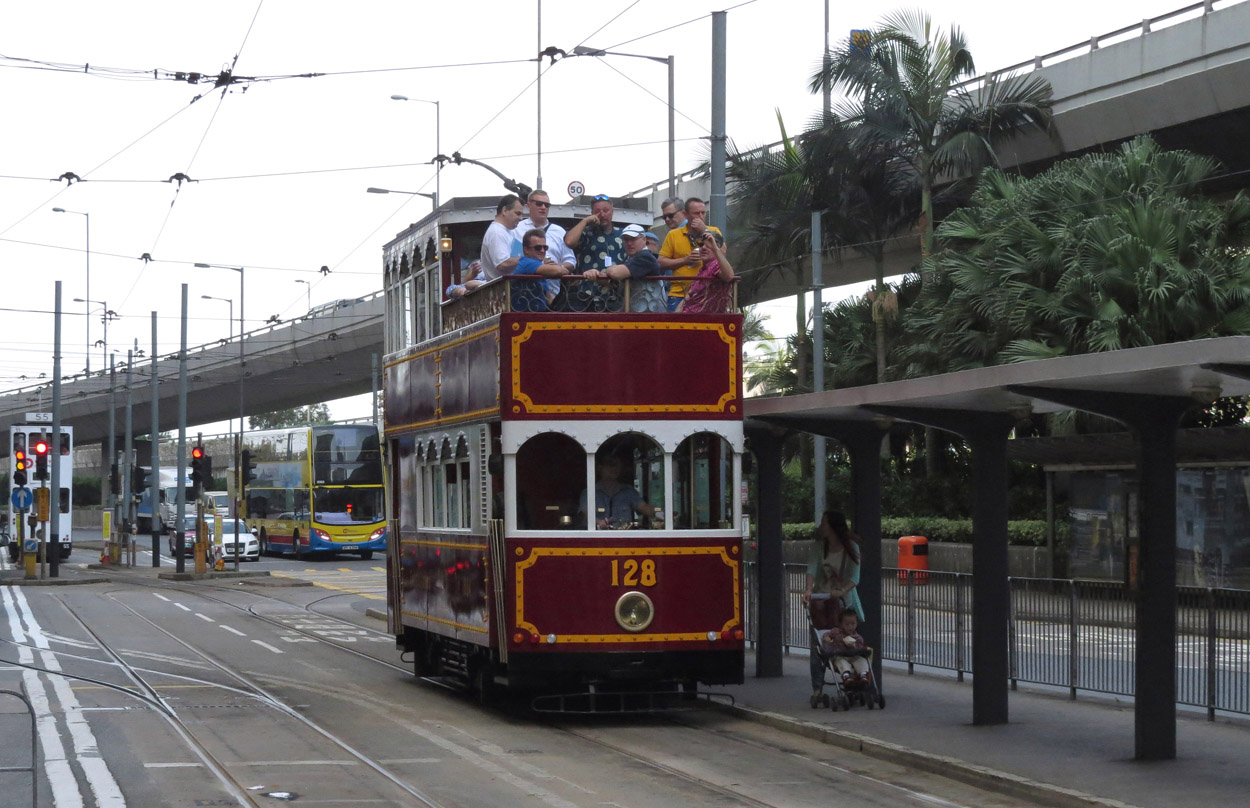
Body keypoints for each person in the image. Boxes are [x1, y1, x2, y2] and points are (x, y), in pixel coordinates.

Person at [802, 510, 863, 703]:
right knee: (820, 644)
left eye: (824, 523)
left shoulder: (851, 547)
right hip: (821, 601)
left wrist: (842, 590)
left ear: (833, 527)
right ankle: (818, 688)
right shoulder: (820, 547)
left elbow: (854, 577)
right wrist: (809, 589)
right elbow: (812, 569)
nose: (821, 527)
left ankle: (853, 680)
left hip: (843, 603)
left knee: (848, 642)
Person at [658, 197, 723, 311]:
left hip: (707, 295)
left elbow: (722, 252)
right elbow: (661, 262)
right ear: (686, 214)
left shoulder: (714, 231)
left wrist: (705, 230)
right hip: (679, 295)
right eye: (696, 213)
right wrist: (685, 260)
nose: (701, 217)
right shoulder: (673, 234)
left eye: (703, 213)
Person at [588, 223, 666, 312]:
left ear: (644, 239)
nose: (629, 243)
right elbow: (615, 283)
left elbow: (615, 274)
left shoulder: (646, 256)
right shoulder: (629, 258)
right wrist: (596, 274)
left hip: (650, 316)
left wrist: (610, 269)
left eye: (633, 239)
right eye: (626, 240)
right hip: (637, 314)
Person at [579, 453, 659, 529]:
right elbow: (586, 513)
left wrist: (661, 514)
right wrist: (599, 522)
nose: (615, 468)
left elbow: (643, 507)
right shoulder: (589, 492)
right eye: (611, 465)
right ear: (600, 467)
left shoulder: (628, 492)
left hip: (624, 539)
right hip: (598, 539)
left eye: (618, 465)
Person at [510, 228, 570, 311]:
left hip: (539, 315)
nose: (542, 251)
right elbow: (559, 271)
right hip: (524, 316)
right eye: (538, 247)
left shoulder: (539, 267)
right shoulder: (526, 262)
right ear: (526, 249)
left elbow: (549, 299)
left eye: (545, 247)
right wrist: (560, 267)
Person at [564, 194, 625, 274]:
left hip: (617, 285)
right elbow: (569, 242)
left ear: (612, 212)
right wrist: (585, 221)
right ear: (592, 213)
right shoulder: (586, 234)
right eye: (597, 212)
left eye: (606, 210)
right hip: (589, 284)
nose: (602, 215)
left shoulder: (623, 234)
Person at [675, 231, 734, 313]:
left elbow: (729, 276)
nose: (704, 248)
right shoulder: (703, 268)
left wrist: (715, 249)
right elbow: (688, 296)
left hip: (702, 319)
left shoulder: (716, 264)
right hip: (688, 317)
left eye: (709, 245)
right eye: (701, 244)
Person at [480, 194, 525, 281]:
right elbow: (502, 264)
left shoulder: (510, 231)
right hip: (503, 292)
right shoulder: (496, 232)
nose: (521, 218)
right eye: (518, 213)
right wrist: (529, 257)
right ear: (504, 211)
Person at [822, 608, 872, 683]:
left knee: (862, 660)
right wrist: (827, 638)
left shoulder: (858, 637)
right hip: (840, 655)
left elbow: (860, 647)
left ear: (856, 624)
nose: (850, 627)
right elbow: (827, 635)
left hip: (853, 656)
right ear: (841, 624)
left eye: (853, 624)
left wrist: (854, 645)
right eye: (847, 624)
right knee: (841, 661)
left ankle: (863, 675)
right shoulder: (836, 632)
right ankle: (846, 676)